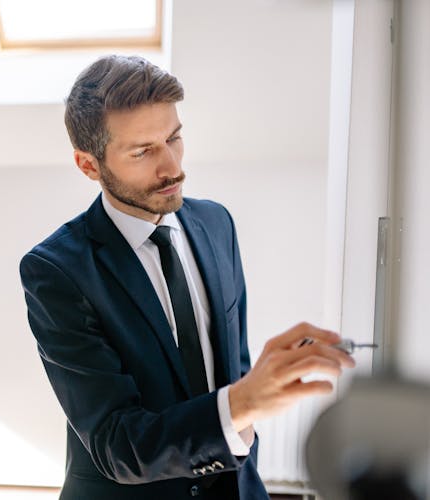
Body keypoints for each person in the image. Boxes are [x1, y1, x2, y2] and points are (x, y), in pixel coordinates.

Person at [19, 55, 355, 500]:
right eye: (143, 152)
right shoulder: (55, 271)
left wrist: (257, 392)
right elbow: (118, 444)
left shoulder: (217, 224)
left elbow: (231, 369)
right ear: (88, 165)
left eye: (175, 139)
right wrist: (244, 401)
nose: (172, 167)